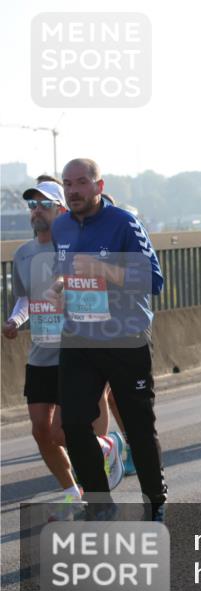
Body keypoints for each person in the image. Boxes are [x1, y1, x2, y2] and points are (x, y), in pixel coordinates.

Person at [45, 158, 167, 522]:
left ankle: (155, 499)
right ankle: (99, 502)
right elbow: (64, 272)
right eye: (67, 184)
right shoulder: (62, 225)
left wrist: (104, 269)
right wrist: (58, 287)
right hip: (80, 336)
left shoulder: (124, 223)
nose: (74, 190)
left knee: (138, 424)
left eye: (81, 182)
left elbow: (154, 281)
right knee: (74, 423)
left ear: (99, 186)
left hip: (125, 337)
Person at [4, 180, 124, 521]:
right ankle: (74, 493)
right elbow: (25, 299)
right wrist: (15, 321)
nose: (36, 211)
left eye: (43, 204)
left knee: (62, 431)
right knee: (41, 430)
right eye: (31, 205)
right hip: (41, 351)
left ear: (60, 210)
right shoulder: (23, 254)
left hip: (75, 351)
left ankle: (107, 446)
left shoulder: (73, 246)